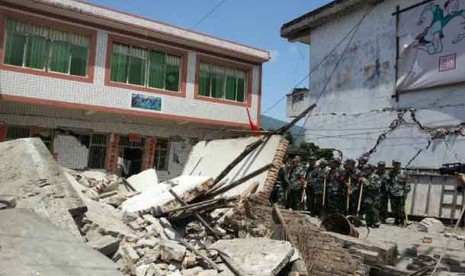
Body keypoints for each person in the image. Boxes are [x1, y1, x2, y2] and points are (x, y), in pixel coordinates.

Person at [388, 160, 411, 226]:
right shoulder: (390, 173)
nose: (396, 165)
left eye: (398, 164)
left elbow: (407, 183)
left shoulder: (404, 173)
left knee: (400, 208)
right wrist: (389, 189)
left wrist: (406, 191)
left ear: (400, 164)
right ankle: (396, 220)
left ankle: (402, 221)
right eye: (395, 164)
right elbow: (388, 182)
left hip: (401, 193)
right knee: (394, 208)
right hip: (393, 193)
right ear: (393, 165)